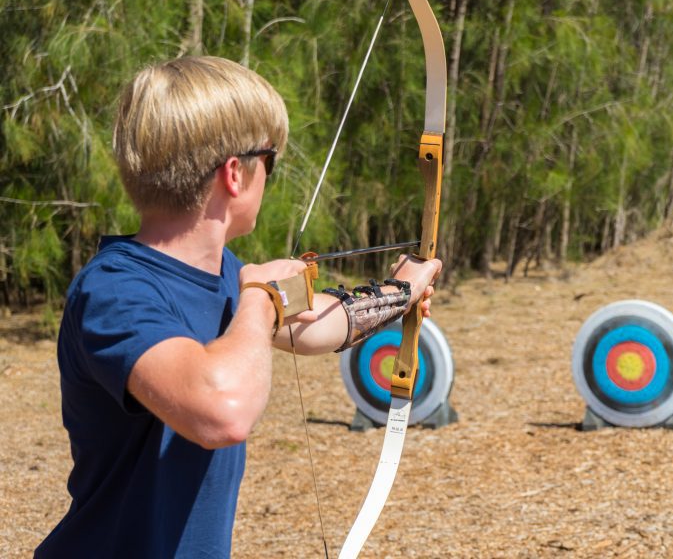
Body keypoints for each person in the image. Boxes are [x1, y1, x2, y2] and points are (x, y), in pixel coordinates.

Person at [35, 56, 441, 558]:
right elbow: (222, 414)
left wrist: (400, 292)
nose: (270, 176)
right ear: (235, 174)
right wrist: (259, 298)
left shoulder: (226, 271)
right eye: (270, 161)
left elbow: (307, 327)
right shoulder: (115, 290)